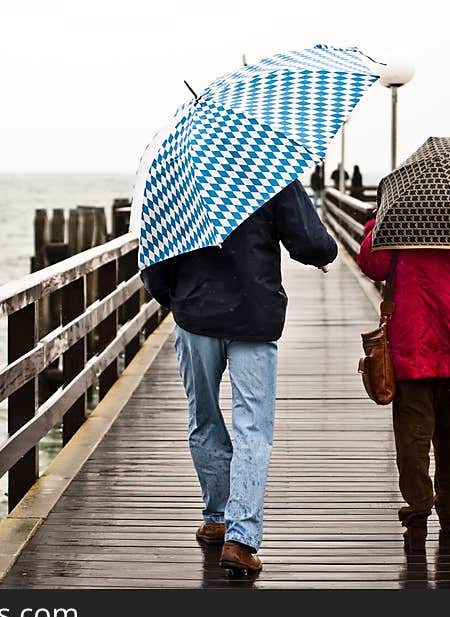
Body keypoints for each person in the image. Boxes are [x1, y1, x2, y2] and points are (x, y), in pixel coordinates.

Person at [141, 180, 338, 573]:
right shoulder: (271, 170)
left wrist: (176, 298)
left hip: (195, 316)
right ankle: (240, 538)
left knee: (204, 417)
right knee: (253, 429)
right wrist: (322, 254)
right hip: (255, 314)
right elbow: (312, 243)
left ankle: (216, 516)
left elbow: (153, 259)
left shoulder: (177, 177)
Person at [357, 220, 450, 552]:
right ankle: (449, 511)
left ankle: (419, 511)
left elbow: (373, 265)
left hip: (411, 341)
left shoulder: (401, 217)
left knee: (413, 432)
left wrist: (377, 225)